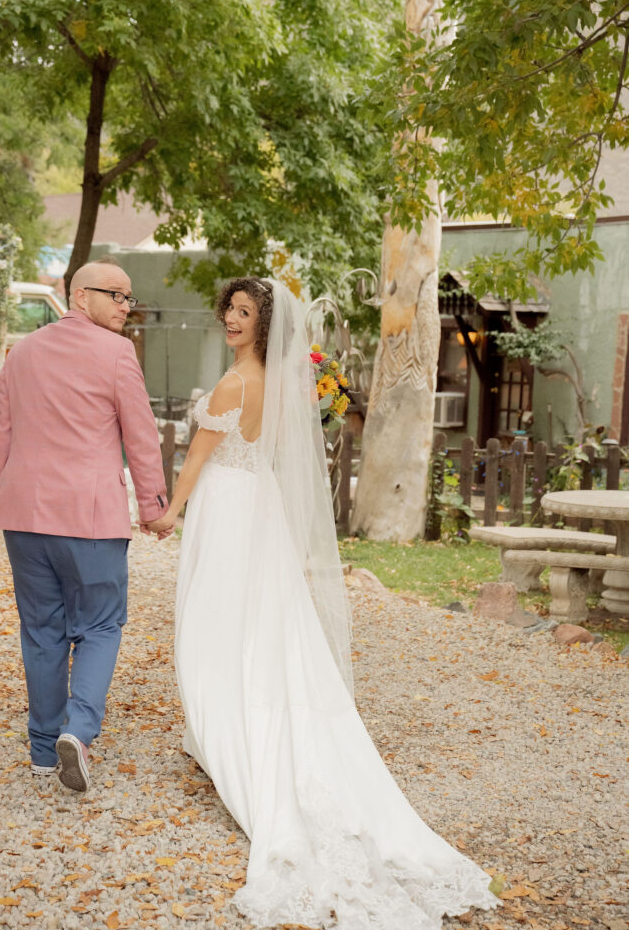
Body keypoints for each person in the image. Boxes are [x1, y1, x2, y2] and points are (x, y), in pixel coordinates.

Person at [148, 277, 499, 929]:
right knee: (268, 624)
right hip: (263, 512)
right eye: (229, 308)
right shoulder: (284, 385)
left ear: (264, 323)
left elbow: (197, 459)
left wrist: (170, 511)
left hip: (227, 508)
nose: (231, 318)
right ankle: (213, 735)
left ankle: (227, 739)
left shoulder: (233, 386)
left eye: (245, 312)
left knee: (211, 624)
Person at [0, 260, 167, 792]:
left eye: (129, 298)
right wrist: (153, 506)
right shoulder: (117, 354)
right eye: (117, 296)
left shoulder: (23, 351)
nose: (125, 307)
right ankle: (79, 732)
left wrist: (3, 490)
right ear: (79, 295)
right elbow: (141, 435)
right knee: (101, 625)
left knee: (42, 629)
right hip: (88, 517)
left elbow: (4, 432)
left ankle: (43, 749)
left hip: (23, 514)